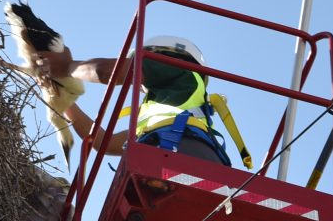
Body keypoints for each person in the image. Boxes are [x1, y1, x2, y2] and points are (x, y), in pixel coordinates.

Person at [36, 35, 246, 167]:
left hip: (180, 154)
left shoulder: (179, 71)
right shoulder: (165, 112)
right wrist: (64, 101)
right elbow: (103, 143)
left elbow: (111, 72)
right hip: (178, 152)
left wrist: (65, 68)